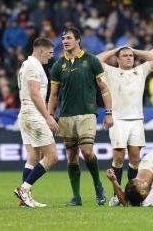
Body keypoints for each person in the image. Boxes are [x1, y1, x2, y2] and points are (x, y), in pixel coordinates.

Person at [48, 26, 114, 206]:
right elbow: (53, 94)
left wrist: (108, 113)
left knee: (86, 151)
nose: (65, 41)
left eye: (68, 37)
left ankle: (98, 186)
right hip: (66, 115)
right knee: (71, 157)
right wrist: (50, 116)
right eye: (63, 38)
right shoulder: (58, 65)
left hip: (87, 114)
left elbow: (104, 89)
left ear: (78, 40)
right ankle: (76, 197)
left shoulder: (91, 60)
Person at [96, 46, 153, 206]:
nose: (129, 57)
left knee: (134, 159)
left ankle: (133, 193)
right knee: (118, 157)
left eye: (131, 55)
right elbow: (96, 60)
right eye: (124, 55)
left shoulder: (140, 70)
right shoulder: (111, 71)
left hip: (136, 120)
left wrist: (135, 50)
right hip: (118, 120)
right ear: (117, 59)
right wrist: (115, 49)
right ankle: (117, 195)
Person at [14, 37, 59, 208]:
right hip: (33, 114)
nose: (51, 56)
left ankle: (24, 200)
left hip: (25, 113)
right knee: (52, 157)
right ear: (40, 51)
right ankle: (24, 189)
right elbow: (34, 94)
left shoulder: (27, 64)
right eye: (49, 53)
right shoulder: (34, 66)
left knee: (34, 156)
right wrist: (48, 117)